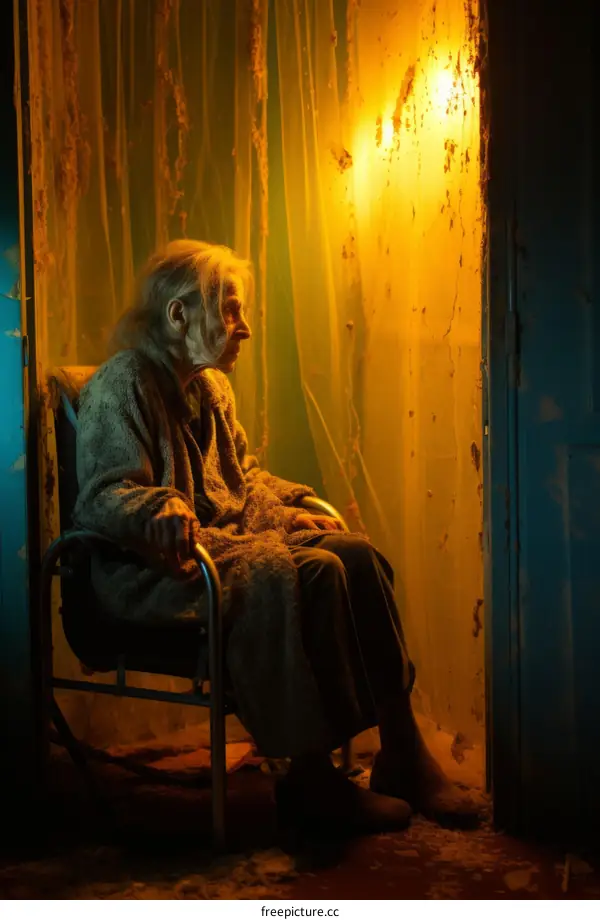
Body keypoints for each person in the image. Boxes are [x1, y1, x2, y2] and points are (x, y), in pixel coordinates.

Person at [74, 239, 481, 836]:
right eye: (230, 309)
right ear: (179, 315)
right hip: (155, 566)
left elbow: (240, 479)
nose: (244, 328)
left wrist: (289, 512)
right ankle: (309, 777)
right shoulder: (122, 383)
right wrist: (157, 508)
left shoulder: (210, 388)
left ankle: (402, 750)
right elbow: (104, 493)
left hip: (219, 544)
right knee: (311, 572)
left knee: (354, 554)